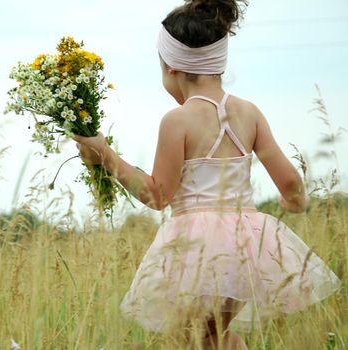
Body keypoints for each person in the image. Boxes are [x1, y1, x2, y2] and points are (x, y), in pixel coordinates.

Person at [72, 0, 342, 349]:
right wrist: (293, 202)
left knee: (193, 338)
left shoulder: (178, 120)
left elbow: (157, 196)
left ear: (170, 67)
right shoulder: (249, 113)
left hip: (198, 249)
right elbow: (291, 183)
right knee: (215, 337)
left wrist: (105, 156)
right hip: (248, 246)